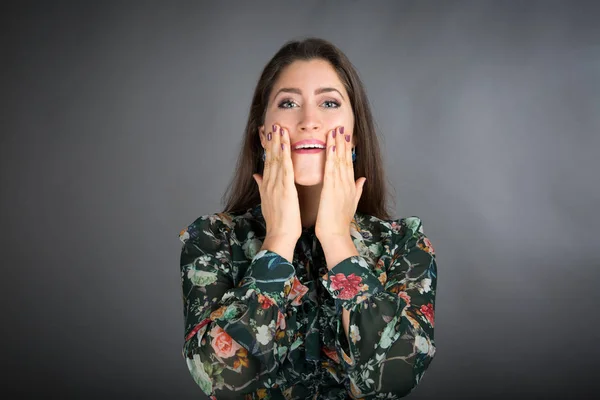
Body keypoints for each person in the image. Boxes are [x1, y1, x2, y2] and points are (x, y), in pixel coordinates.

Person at [178, 37, 438, 400]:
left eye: (329, 103)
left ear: (355, 136)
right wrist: (279, 240)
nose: (309, 121)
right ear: (262, 136)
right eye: (288, 103)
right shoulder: (212, 240)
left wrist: (336, 238)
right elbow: (223, 380)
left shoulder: (403, 245)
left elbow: (393, 378)